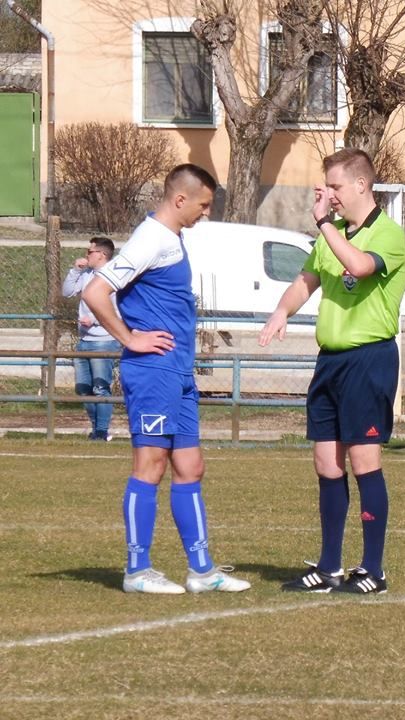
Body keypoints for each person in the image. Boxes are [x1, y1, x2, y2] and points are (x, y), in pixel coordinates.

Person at [82, 164, 251, 595]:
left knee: (191, 466)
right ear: (180, 200)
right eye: (203, 205)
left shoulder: (171, 239)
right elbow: (94, 292)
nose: (205, 213)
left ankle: (202, 571)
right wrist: (130, 338)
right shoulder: (151, 238)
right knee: (150, 465)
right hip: (153, 372)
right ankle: (137, 571)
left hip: (177, 371)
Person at [259, 148, 405, 595]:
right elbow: (307, 281)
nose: (330, 196)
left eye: (336, 187)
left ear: (362, 185)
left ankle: (373, 570)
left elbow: (359, 267)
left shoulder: (389, 234)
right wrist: (281, 311)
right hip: (331, 361)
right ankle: (328, 567)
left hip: (369, 359)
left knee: (364, 461)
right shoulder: (332, 235)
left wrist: (324, 224)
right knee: (326, 462)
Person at [62, 237, 122, 441]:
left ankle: (101, 431)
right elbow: (68, 292)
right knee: (83, 389)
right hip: (84, 340)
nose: (87, 255)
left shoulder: (113, 277)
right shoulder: (87, 274)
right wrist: (75, 271)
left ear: (102, 255)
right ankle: (96, 429)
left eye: (90, 252)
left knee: (100, 387)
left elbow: (116, 311)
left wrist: (95, 320)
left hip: (103, 339)